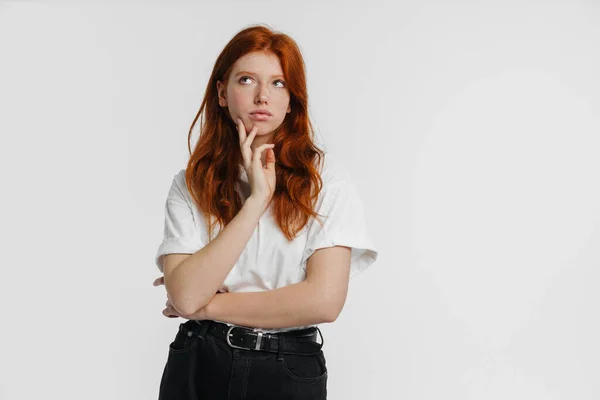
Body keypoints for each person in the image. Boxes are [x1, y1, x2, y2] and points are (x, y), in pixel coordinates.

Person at [152, 24, 378, 400]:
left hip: (287, 366)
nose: (262, 96)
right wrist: (256, 201)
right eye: (246, 80)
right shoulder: (190, 183)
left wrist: (205, 304)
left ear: (292, 100)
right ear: (222, 93)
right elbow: (187, 295)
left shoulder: (327, 180)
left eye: (278, 84)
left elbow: (324, 301)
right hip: (198, 361)